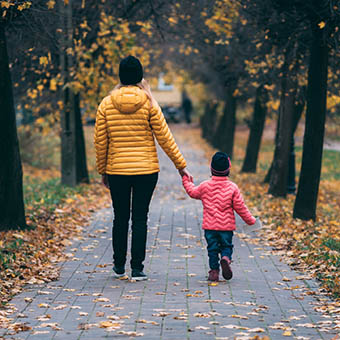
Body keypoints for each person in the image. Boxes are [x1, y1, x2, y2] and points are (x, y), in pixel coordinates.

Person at [94, 56, 192, 281]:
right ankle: (137, 268)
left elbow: (100, 141)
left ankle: (119, 266)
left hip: (117, 170)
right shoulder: (149, 103)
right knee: (140, 218)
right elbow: (165, 138)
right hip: (146, 172)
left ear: (120, 76)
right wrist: (181, 166)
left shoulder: (106, 104)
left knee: (120, 217)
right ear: (140, 76)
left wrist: (103, 170)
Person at [182, 152, 256, 281]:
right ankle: (226, 258)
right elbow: (240, 207)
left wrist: (186, 180)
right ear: (228, 169)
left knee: (212, 249)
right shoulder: (233, 187)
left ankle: (214, 272)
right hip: (226, 228)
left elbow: (192, 192)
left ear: (211, 168)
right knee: (226, 246)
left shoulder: (205, 186)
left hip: (210, 227)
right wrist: (251, 220)